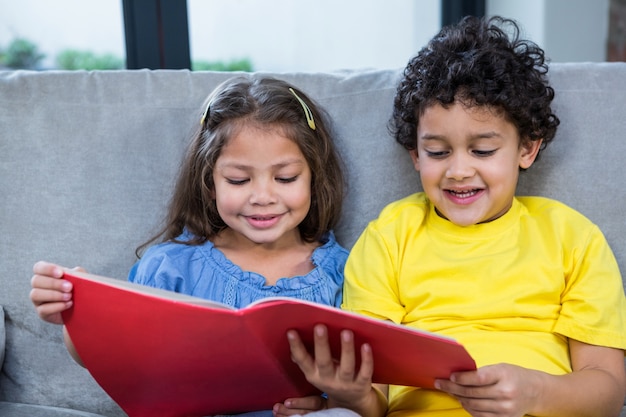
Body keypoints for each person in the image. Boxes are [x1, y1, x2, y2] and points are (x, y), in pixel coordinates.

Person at [280, 15, 626, 417]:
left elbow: (608, 387)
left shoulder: (573, 237)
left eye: (482, 151)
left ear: (527, 150)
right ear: (415, 155)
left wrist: (535, 392)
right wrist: (351, 396)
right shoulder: (390, 236)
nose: (458, 171)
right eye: (438, 152)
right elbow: (371, 400)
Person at [30, 76, 349, 417]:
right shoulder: (171, 267)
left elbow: (366, 387)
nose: (262, 198)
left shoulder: (345, 273)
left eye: (285, 178)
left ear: (314, 176)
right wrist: (78, 315)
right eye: (238, 180)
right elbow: (118, 359)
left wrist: (328, 405)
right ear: (209, 182)